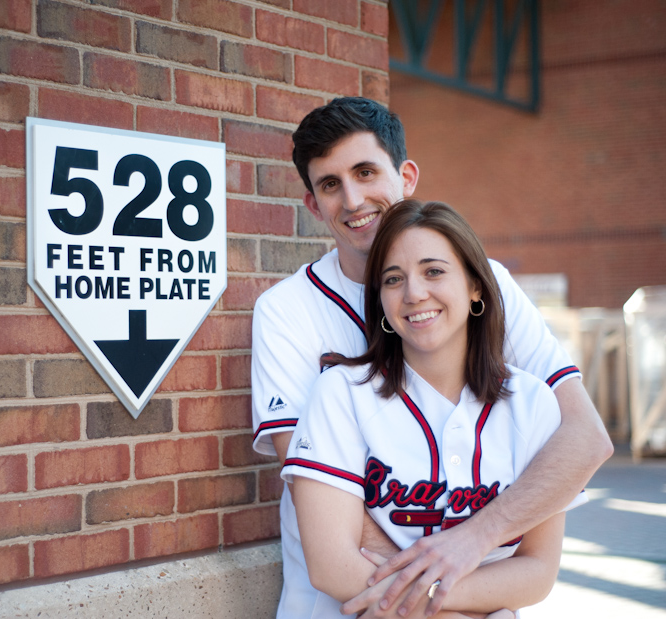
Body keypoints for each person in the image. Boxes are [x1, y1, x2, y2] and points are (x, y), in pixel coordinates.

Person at [250, 97, 612, 619]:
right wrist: (449, 603)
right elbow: (320, 496)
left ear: (407, 175)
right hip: (341, 604)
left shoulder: (483, 281)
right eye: (330, 184)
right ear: (313, 204)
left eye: (366, 171)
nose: (353, 200)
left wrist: (470, 543)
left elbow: (584, 437)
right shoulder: (286, 310)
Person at [281, 199, 586, 618]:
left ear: (476, 286)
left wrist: (441, 602)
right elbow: (331, 565)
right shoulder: (341, 392)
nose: (414, 293)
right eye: (393, 279)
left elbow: (537, 570)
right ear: (381, 302)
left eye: (434, 271)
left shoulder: (533, 404)